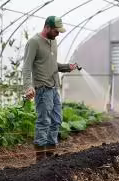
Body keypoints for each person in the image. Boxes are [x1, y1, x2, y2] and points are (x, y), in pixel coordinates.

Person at [22, 16, 78, 162]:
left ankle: (50, 155)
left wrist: (66, 67)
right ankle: (40, 158)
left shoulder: (53, 41)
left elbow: (52, 64)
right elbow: (27, 67)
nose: (58, 34)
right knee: (44, 121)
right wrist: (28, 87)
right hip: (42, 89)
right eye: (55, 31)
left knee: (56, 120)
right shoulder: (34, 42)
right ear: (47, 27)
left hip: (54, 88)